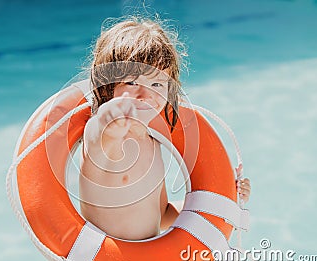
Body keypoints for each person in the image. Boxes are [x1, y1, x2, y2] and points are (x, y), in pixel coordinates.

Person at [79, 17, 251, 240]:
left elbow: (162, 214)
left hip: (149, 257)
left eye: (157, 84)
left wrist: (223, 198)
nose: (146, 95)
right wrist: (113, 115)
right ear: (107, 85)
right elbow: (102, 128)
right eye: (132, 83)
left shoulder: (151, 141)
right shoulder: (106, 138)